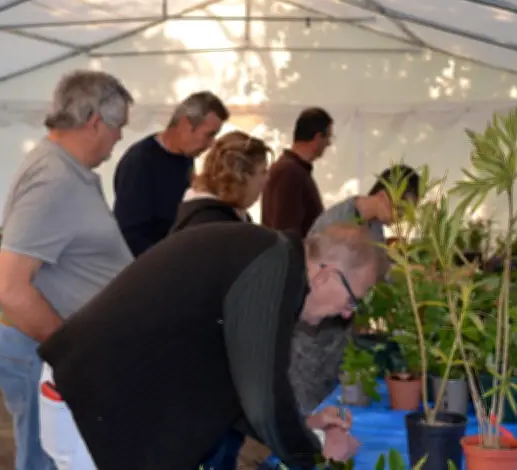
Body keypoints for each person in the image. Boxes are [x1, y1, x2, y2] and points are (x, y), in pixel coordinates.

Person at [36, 222, 383, 470]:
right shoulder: (272, 267)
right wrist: (318, 454)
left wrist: (303, 425)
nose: (347, 313)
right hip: (92, 405)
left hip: (103, 403)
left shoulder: (270, 261)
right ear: (325, 275)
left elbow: (242, 389)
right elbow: (262, 401)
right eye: (352, 300)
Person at [0, 70, 136, 470]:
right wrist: (70, 350)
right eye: (118, 126)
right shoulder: (53, 178)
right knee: (44, 461)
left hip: (49, 352)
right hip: (39, 353)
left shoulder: (67, 169)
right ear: (94, 122)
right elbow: (8, 288)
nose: (119, 138)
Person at [290, 165, 421, 413]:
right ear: (384, 195)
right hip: (311, 340)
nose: (402, 218)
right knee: (307, 409)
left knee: (328, 406)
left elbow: (379, 276)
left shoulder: (374, 229)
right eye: (402, 209)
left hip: (338, 338)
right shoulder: (336, 222)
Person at [113, 91, 229, 257]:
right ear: (186, 125)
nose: (210, 144)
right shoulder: (140, 162)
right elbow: (130, 233)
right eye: (209, 135)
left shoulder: (186, 159)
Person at [170, 131, 271, 231]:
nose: (267, 178)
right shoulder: (213, 225)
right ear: (239, 177)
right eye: (263, 171)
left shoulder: (212, 214)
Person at [261, 107, 333, 236]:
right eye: (328, 136)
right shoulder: (289, 172)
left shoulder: (293, 170)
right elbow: (284, 228)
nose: (329, 143)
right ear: (317, 138)